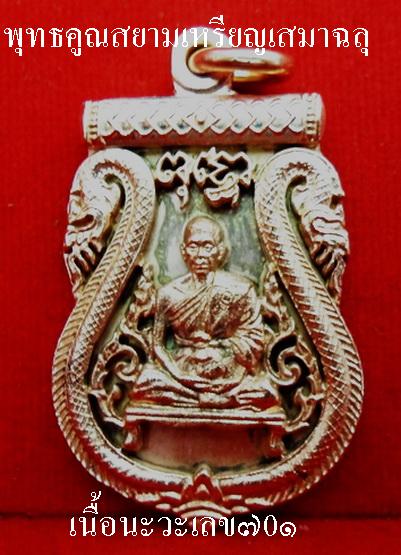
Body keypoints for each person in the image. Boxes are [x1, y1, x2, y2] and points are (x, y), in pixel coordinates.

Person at [126, 215, 280, 410]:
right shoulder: (168, 294)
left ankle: (203, 399)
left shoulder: (240, 289)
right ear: (183, 250)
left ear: (220, 251)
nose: (200, 255)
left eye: (207, 246)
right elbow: (157, 345)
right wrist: (180, 375)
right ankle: (215, 400)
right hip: (182, 372)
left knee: (266, 391)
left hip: (228, 372)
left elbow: (254, 341)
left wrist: (226, 360)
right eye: (193, 246)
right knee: (144, 383)